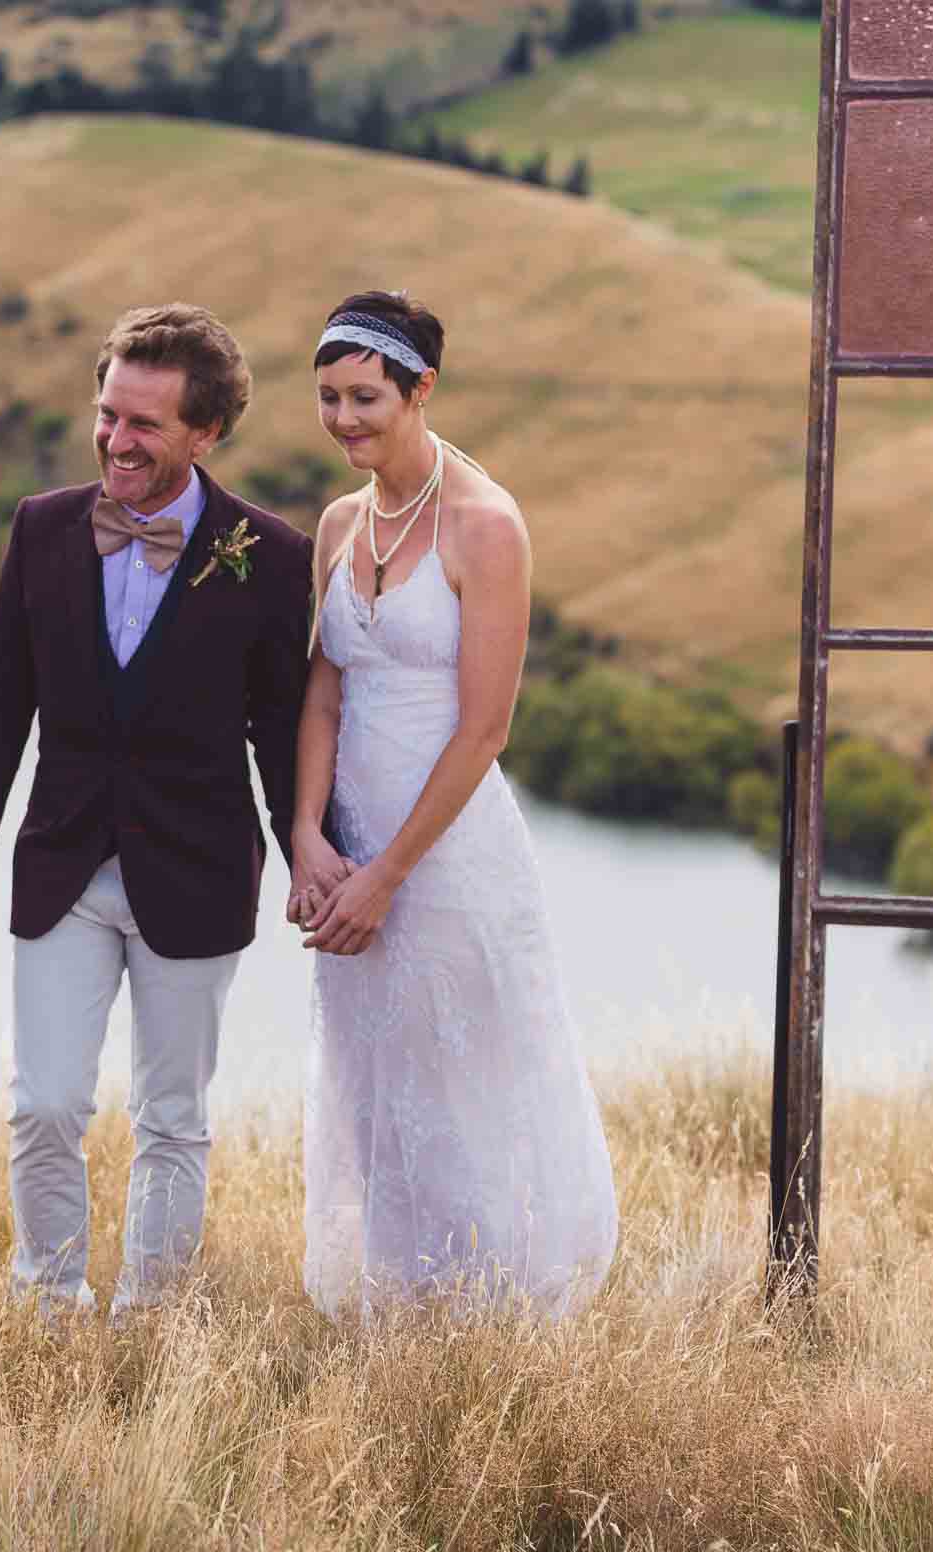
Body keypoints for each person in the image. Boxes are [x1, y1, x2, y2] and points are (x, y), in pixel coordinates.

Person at [0, 303, 314, 1318]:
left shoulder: (268, 554)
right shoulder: (44, 526)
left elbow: (281, 734)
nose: (116, 440)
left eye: (144, 423)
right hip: (63, 869)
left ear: (204, 433)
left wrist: (311, 855)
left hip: (198, 873)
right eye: (107, 414)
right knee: (45, 1102)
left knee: (172, 1116)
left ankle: (149, 1317)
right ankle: (47, 1309)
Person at [287, 291, 617, 1319]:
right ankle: (402, 1306)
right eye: (329, 398)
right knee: (375, 1077)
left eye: (364, 397)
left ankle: (490, 1315)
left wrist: (390, 872)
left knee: (467, 1079)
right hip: (345, 850)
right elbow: (324, 688)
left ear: (420, 389)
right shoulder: (340, 522)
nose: (343, 419)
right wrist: (304, 837)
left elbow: (484, 730)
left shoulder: (486, 525)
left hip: (448, 855)